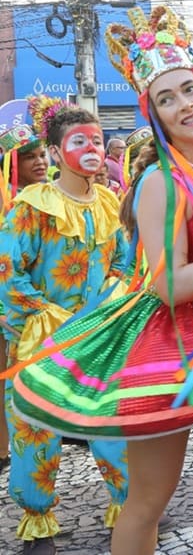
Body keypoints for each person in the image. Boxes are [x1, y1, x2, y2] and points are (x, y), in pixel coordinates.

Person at [8, 6, 193, 555]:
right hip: (168, 348)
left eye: (189, 89)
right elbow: (167, 285)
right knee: (148, 499)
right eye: (166, 99)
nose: (183, 105)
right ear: (154, 115)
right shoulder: (159, 183)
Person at [0, 96, 130, 555]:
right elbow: (6, 270)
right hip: (45, 338)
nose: (91, 148)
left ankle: (127, 510)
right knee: (36, 432)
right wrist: (42, 316)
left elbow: (124, 263)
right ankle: (39, 524)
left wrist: (114, 301)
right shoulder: (32, 206)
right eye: (79, 141)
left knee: (114, 424)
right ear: (56, 152)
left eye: (97, 139)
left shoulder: (112, 202)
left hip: (101, 336)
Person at [0, 124, 49, 481]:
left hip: (53, 314)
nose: (40, 162)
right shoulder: (9, 204)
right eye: (28, 157)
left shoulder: (59, 196)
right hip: (14, 312)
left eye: (42, 154)